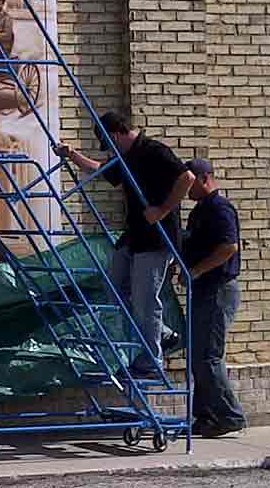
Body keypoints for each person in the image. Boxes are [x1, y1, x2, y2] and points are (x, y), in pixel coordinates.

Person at [54, 112, 194, 377]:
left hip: (156, 238)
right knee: (114, 288)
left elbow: (186, 178)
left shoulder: (154, 151)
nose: (110, 149)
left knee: (145, 299)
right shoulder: (125, 157)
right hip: (134, 235)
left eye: (109, 142)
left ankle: (152, 362)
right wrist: (71, 155)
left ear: (117, 133)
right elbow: (100, 170)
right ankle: (161, 333)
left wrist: (162, 210)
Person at [180, 158, 246, 437]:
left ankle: (230, 416)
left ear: (204, 178)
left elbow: (229, 247)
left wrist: (195, 271)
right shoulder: (199, 212)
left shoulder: (220, 208)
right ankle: (206, 416)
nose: (185, 190)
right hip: (203, 290)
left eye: (189, 183)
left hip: (218, 289)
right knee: (197, 356)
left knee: (208, 356)